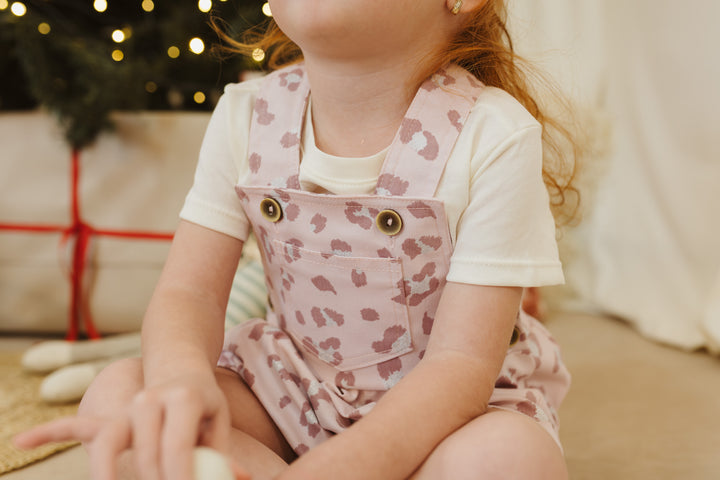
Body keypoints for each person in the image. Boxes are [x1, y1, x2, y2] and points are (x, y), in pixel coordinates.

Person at [15, 0, 578, 478]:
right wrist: (181, 382)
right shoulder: (245, 113)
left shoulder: (495, 135)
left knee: (509, 459)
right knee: (119, 394)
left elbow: (459, 367)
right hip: (290, 391)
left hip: (440, 416)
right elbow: (190, 293)